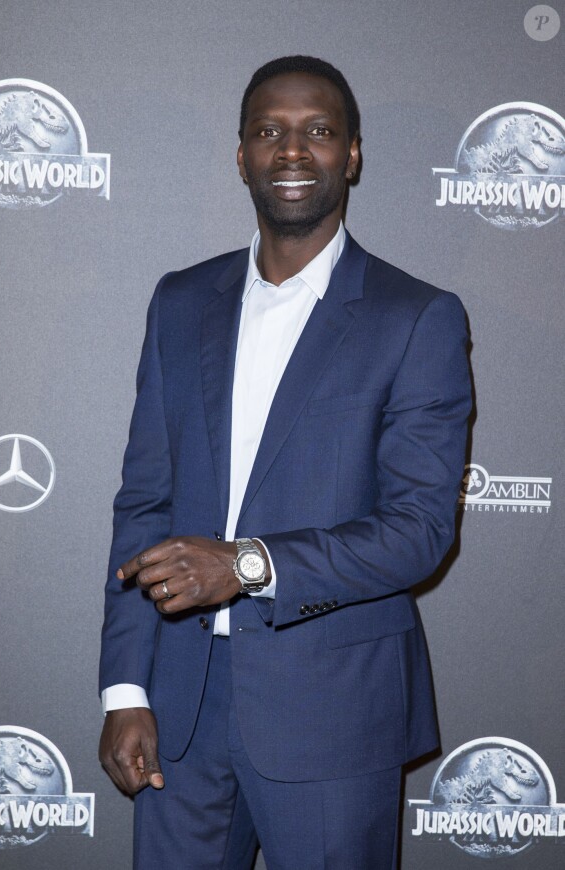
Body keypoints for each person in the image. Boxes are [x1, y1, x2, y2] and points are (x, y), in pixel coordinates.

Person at [99, 55, 472, 869]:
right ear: (242, 156)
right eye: (269, 131)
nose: (292, 151)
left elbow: (417, 530)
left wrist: (247, 564)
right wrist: (126, 688)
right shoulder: (180, 301)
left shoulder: (417, 319)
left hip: (335, 712)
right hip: (181, 710)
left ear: (354, 154)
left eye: (319, 131)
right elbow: (145, 504)